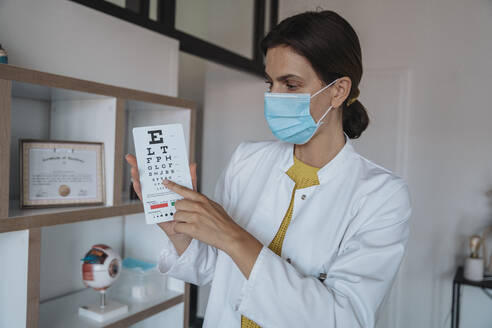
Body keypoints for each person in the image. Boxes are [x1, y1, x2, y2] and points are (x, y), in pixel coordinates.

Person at [125, 10, 411, 328]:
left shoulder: (382, 196)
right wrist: (179, 232)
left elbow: (342, 319)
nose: (274, 97)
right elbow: (211, 270)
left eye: (290, 85)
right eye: (270, 82)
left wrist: (232, 236)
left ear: (338, 91)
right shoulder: (246, 160)